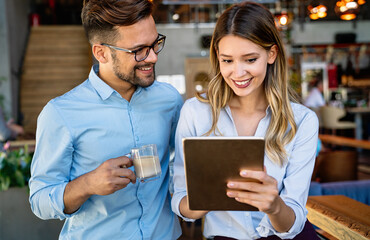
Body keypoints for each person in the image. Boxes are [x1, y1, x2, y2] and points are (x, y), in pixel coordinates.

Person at [29, 0, 182, 239]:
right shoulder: (61, 113)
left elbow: (182, 162)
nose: (152, 57)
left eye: (155, 44)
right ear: (101, 52)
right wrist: (88, 184)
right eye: (138, 50)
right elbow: (40, 200)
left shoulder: (169, 100)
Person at [171, 2, 319, 240]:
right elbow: (180, 200)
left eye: (250, 59)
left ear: (271, 54)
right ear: (217, 57)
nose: (237, 73)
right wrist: (207, 197)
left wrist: (274, 206)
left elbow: (294, 220)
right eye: (227, 60)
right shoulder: (195, 113)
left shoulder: (302, 121)